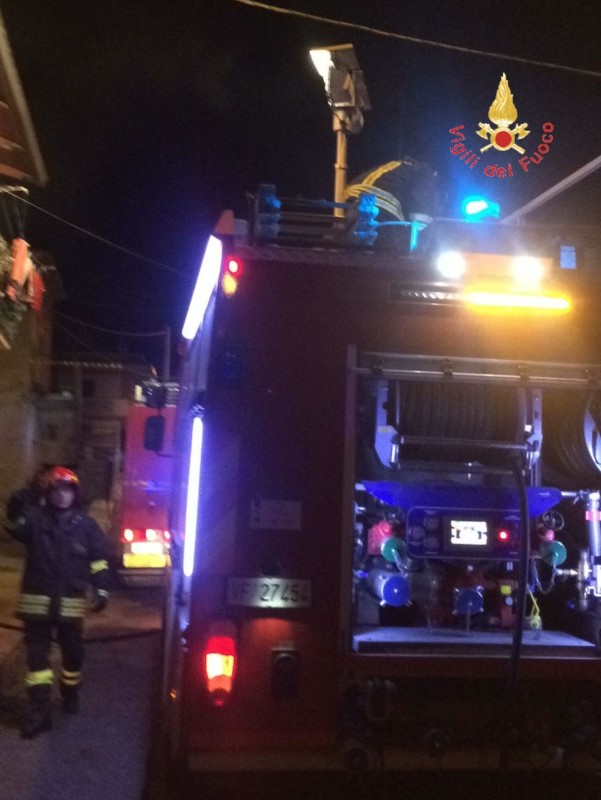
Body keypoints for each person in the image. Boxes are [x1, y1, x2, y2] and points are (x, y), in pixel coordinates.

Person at [4, 466, 110, 738]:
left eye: (67, 490)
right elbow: (16, 528)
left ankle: (70, 693)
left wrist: (101, 589)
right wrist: (18, 504)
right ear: (48, 493)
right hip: (36, 606)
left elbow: (99, 560)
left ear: (75, 494)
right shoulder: (35, 520)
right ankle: (39, 712)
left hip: (70, 606)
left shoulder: (86, 526)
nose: (62, 495)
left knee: (73, 656)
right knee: (37, 662)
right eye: (56, 490)